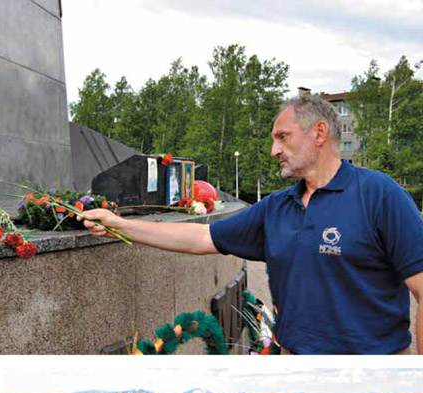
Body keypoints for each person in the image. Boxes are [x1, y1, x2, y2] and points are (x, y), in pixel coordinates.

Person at [82, 93, 423, 355]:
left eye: (283, 137)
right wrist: (119, 225)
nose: (274, 149)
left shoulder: (379, 196)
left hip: (372, 374)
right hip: (294, 366)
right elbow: (200, 237)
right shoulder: (276, 208)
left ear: (319, 133)